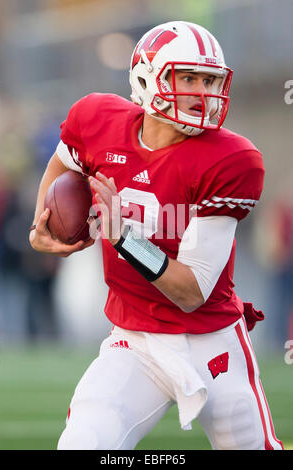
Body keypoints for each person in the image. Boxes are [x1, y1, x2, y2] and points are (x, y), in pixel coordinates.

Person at [29, 21, 283, 450]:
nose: (203, 91)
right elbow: (64, 162)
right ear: (148, 78)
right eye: (188, 77)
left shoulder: (231, 159)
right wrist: (45, 223)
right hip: (134, 338)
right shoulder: (97, 120)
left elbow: (191, 292)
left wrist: (124, 237)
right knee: (84, 444)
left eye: (209, 80)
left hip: (209, 340)